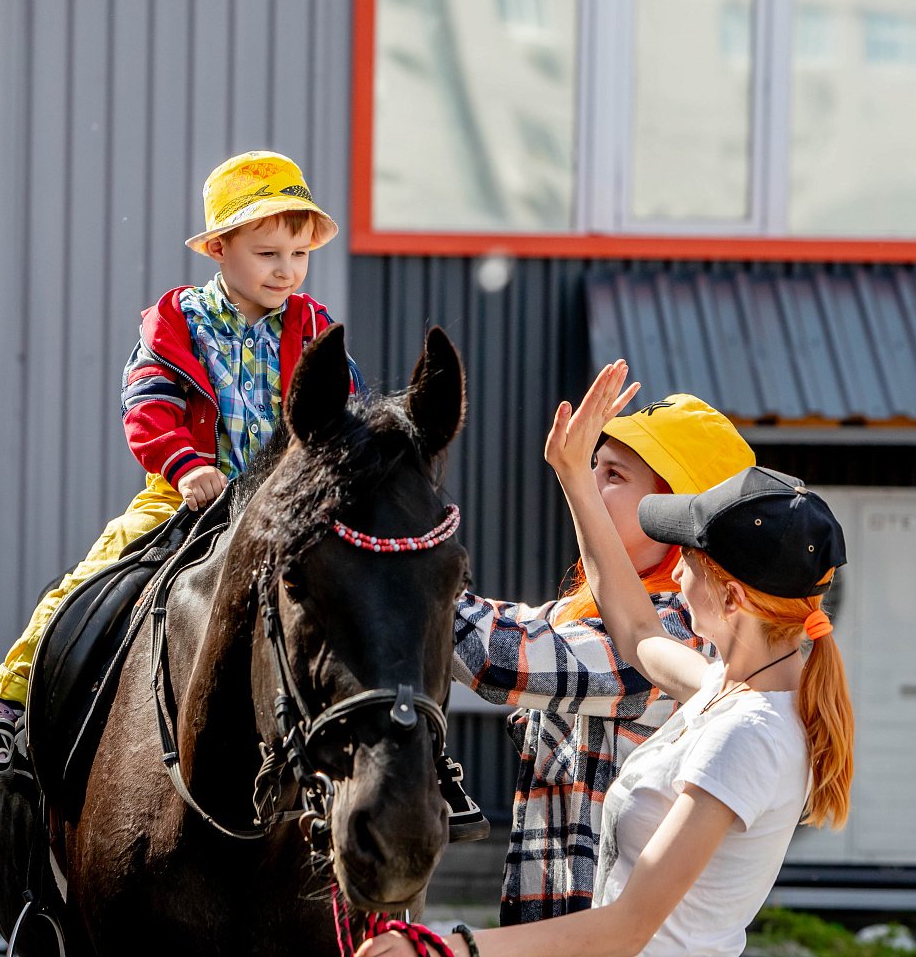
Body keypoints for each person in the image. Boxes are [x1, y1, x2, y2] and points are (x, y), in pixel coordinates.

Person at [361, 360, 854, 957]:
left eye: (691, 556)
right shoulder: (722, 685)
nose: (677, 562)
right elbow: (633, 626)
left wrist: (446, 949)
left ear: (729, 596)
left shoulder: (741, 731)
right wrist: (572, 475)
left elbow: (625, 930)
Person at [0, 150, 362, 789]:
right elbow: (146, 404)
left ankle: (406, 747)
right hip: (185, 493)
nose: (287, 271)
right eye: (267, 254)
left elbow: (344, 411)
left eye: (299, 255)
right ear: (220, 249)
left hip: (285, 505)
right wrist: (185, 464)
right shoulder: (178, 321)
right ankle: (5, 708)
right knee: (94, 580)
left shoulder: (312, 327)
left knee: (377, 581)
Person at [451, 392, 756, 922]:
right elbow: (515, 628)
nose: (591, 486)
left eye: (613, 476)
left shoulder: (685, 630)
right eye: (592, 468)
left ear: (675, 511)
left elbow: (497, 656)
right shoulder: (588, 612)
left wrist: (399, 569)